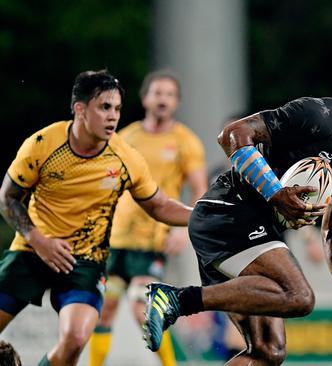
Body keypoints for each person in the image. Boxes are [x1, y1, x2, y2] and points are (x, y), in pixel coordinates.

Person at [143, 65, 332, 365]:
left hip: (254, 234)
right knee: (299, 296)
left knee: (268, 352)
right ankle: (175, 299)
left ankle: (178, 300)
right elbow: (232, 134)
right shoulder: (318, 115)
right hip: (228, 213)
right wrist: (275, 193)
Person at [0, 70, 193, 366]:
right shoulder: (42, 144)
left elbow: (160, 206)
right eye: (104, 107)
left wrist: (204, 217)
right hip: (31, 251)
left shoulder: (126, 156)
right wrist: (39, 241)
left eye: (117, 109)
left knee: (76, 339)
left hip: (86, 262)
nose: (113, 116)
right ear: (80, 109)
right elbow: (8, 198)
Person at [88, 70, 207, 366]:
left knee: (143, 308)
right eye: (157, 93)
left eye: (169, 94)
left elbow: (200, 189)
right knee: (104, 308)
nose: (162, 99)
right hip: (115, 239)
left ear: (176, 102)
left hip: (153, 240)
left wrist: (184, 230)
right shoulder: (125, 137)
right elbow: (104, 183)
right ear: (145, 98)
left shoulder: (185, 141)